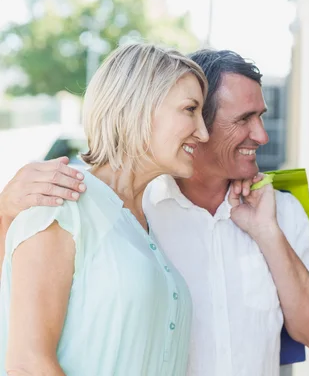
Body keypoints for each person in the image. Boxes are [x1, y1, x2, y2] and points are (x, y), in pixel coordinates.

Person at [0, 49, 309, 376]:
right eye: (242, 119)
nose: (262, 135)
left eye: (261, 116)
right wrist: (5, 214)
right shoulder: (107, 207)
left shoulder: (279, 206)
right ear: (141, 110)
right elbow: (25, 350)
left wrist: (268, 233)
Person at [0, 43, 211, 375]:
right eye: (190, 109)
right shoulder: (62, 204)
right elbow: (28, 365)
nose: (203, 132)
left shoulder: (145, 224)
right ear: (138, 106)